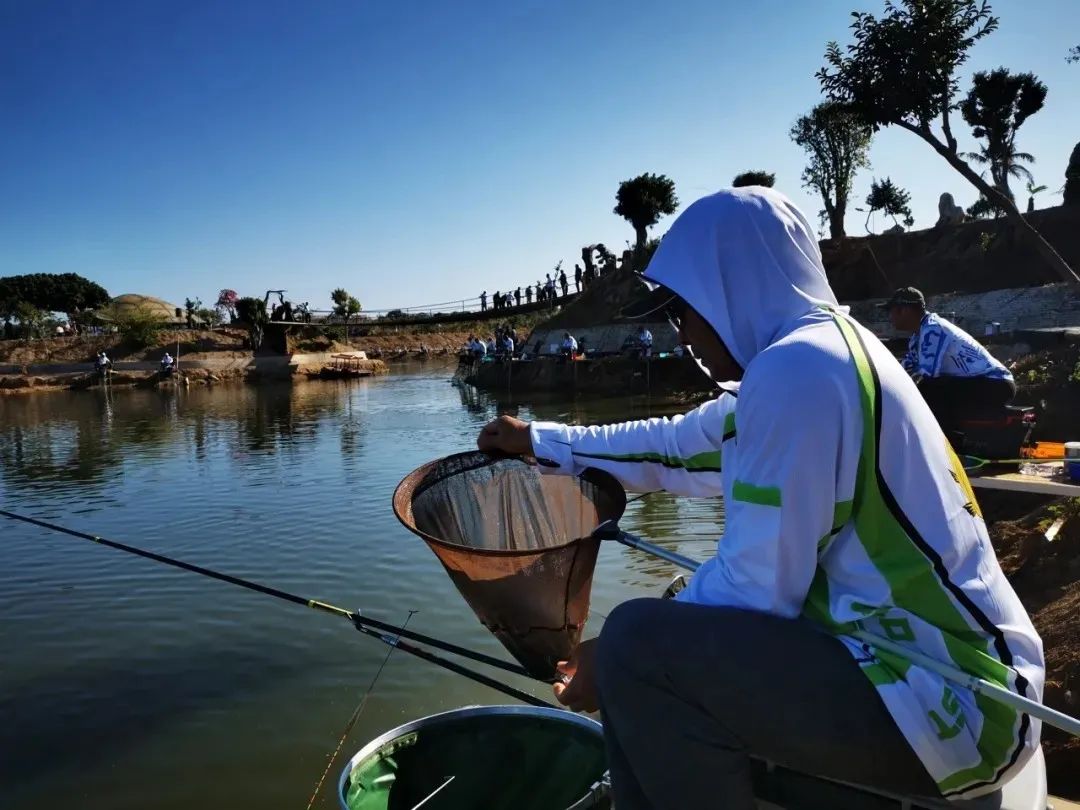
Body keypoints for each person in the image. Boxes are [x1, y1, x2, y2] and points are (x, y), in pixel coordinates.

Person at [477, 188, 1043, 808]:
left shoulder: (797, 373)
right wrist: (539, 440)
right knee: (658, 630)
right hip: (951, 681)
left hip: (950, 698)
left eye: (682, 309)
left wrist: (610, 660)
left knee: (638, 642)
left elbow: (755, 589)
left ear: (732, 287)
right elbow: (672, 447)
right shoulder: (823, 355)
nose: (682, 331)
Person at [881, 287, 1016, 441]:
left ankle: (945, 443)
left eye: (890, 311)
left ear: (904, 310)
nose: (889, 317)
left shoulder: (933, 329)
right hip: (981, 382)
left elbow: (925, 375)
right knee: (928, 386)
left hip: (996, 384)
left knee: (927, 387)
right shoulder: (917, 337)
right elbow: (904, 370)